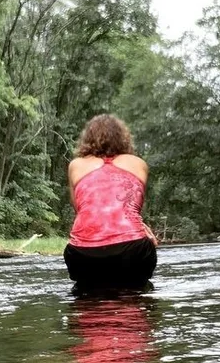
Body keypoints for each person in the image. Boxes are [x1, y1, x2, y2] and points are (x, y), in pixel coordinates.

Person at [64, 114, 157, 289]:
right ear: (123, 138)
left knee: (86, 288)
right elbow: (132, 209)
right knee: (139, 285)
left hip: (83, 256)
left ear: (87, 139)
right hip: (133, 253)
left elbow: (80, 209)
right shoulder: (138, 163)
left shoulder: (76, 165)